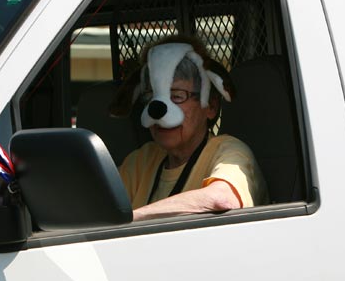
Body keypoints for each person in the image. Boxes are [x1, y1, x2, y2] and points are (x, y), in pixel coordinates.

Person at [115, 35, 268, 221]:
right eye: (150, 97)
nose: (157, 111)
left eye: (178, 96)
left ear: (210, 107)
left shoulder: (229, 151)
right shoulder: (141, 160)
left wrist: (131, 220)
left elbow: (222, 199)